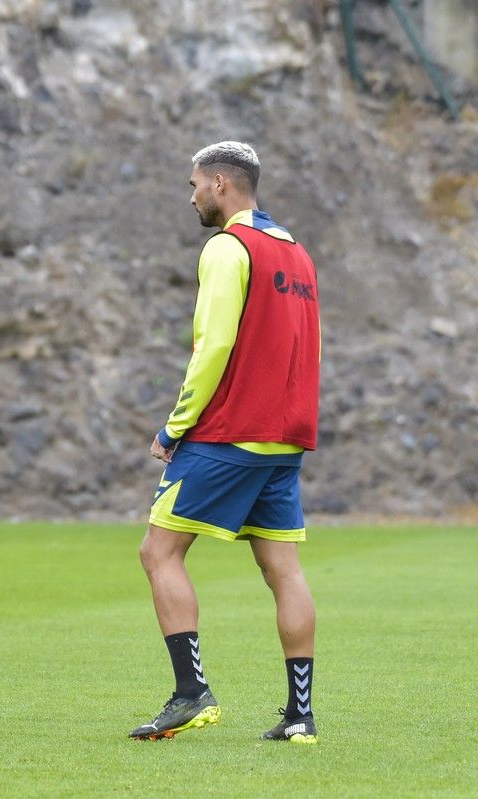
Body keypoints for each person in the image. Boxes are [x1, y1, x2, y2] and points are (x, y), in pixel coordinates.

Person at [130, 141, 321, 744]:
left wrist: (173, 427)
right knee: (283, 570)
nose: (190, 198)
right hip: (285, 437)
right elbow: (305, 348)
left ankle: (192, 693)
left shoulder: (227, 248)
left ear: (220, 184)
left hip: (229, 432)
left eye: (193, 186)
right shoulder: (297, 253)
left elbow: (212, 347)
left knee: (159, 553)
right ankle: (300, 716)